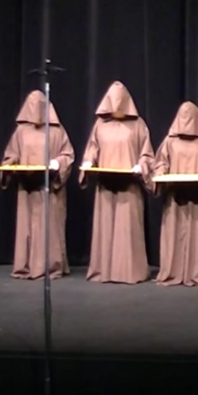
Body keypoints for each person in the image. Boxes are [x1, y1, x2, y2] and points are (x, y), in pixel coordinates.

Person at [79, 81, 153, 284]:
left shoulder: (138, 125)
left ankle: (129, 271)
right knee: (106, 227)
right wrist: (88, 162)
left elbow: (147, 153)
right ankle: (104, 270)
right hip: (105, 185)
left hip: (129, 187)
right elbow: (93, 148)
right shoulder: (100, 124)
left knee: (127, 229)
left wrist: (142, 166)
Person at [0, 90, 74, 279]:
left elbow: (67, 154)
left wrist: (58, 163)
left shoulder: (57, 131)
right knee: (27, 227)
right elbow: (12, 154)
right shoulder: (21, 131)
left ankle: (50, 266)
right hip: (27, 188)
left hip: (49, 189)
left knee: (49, 227)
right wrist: (9, 166)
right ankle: (25, 265)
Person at [153, 102, 198, 286]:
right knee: (173, 232)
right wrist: (160, 173)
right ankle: (172, 271)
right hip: (175, 196)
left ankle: (197, 271)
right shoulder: (170, 141)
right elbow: (161, 163)